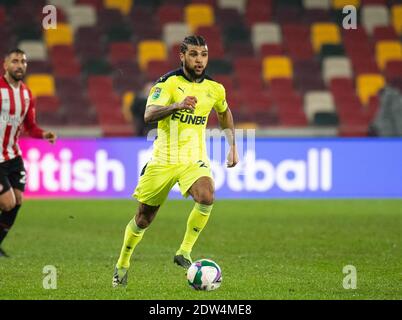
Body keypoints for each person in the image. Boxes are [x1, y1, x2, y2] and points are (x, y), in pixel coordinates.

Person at [112, 36, 239, 286]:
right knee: (144, 218)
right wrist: (177, 105)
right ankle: (122, 263)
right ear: (182, 56)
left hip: (194, 158)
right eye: (193, 54)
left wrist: (233, 145)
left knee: (207, 196)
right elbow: (148, 114)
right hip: (163, 159)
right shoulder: (167, 83)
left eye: (203, 54)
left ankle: (184, 251)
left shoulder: (215, 88)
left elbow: (224, 113)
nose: (199, 60)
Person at [0, 49, 57, 257]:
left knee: (17, 201)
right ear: (5, 65)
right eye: (15, 61)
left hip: (13, 156)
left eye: (23, 61)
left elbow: (30, 127)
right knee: (7, 202)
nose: (20, 65)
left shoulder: (26, 94)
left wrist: (44, 134)